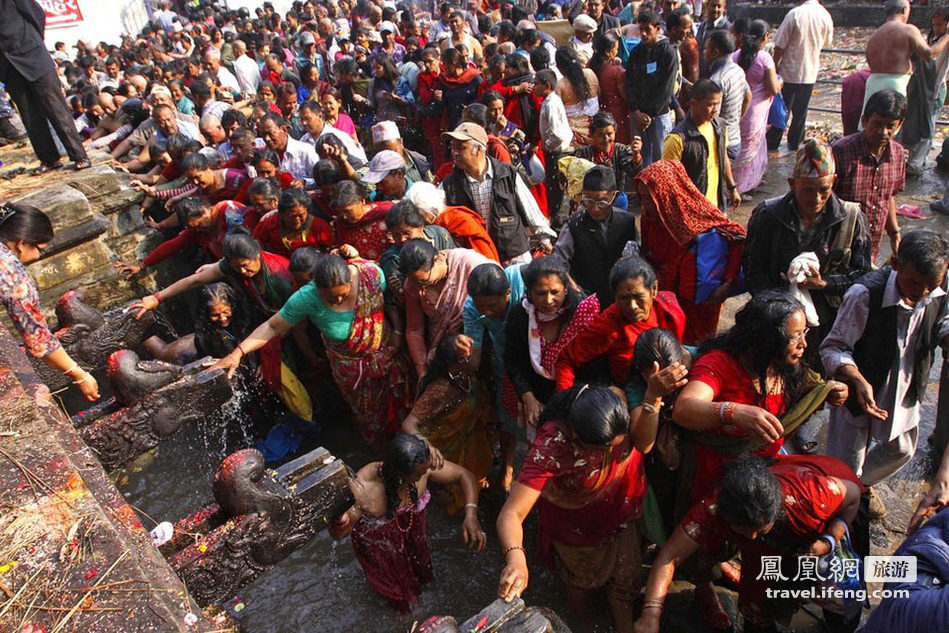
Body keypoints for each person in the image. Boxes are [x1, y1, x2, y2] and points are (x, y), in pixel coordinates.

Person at [633, 455, 865, 633]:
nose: (752, 536)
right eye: (743, 530)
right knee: (756, 606)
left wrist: (828, 541)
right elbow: (669, 557)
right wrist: (650, 614)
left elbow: (853, 497)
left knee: (841, 600)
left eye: (759, 529)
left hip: (817, 534)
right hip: (764, 554)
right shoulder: (713, 509)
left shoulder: (814, 493)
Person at [214, 254, 413, 448]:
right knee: (369, 416)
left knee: (401, 403)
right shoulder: (306, 298)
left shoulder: (371, 275)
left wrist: (397, 330)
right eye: (331, 297)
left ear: (352, 280)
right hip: (351, 370)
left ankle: (405, 444)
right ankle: (379, 450)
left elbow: (389, 303)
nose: (339, 299)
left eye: (343, 294)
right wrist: (237, 353)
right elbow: (272, 327)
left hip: (387, 353)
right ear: (316, 288)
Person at [496, 385, 651, 633]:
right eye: (603, 449)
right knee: (581, 582)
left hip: (621, 510)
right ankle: (581, 622)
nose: (612, 453)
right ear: (577, 438)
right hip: (578, 527)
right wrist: (515, 558)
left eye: (617, 445)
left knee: (625, 581)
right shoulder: (552, 447)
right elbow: (511, 513)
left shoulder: (612, 404)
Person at [821, 230, 949, 516]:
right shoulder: (864, 294)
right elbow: (832, 348)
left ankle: (856, 488)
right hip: (860, 390)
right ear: (895, 264)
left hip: (906, 384)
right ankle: (838, 508)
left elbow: (942, 320)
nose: (924, 293)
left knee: (902, 449)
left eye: (933, 285)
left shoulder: (938, 290)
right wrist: (856, 378)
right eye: (915, 283)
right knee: (846, 461)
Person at [745, 140, 871, 362]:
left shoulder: (852, 218)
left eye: (824, 190)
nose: (816, 199)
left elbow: (862, 274)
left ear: (834, 182)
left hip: (828, 325)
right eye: (808, 190)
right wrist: (778, 299)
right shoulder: (768, 215)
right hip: (776, 326)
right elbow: (753, 269)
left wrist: (824, 284)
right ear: (792, 184)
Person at [330, 434, 486, 612]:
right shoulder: (363, 489)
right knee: (396, 597)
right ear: (400, 476)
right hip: (377, 542)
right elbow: (338, 534)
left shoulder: (423, 464)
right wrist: (339, 521)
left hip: (412, 527)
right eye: (418, 475)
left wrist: (471, 514)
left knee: (423, 573)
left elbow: (464, 475)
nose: (425, 475)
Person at [636, 159, 746, 345]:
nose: (646, 205)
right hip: (664, 297)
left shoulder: (694, 212)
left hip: (700, 302)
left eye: (650, 198)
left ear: (667, 194)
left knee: (698, 345)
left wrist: (727, 284)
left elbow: (738, 238)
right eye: (642, 198)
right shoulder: (649, 218)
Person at [0, 204, 98, 400]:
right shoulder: (10, 270)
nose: (37, 256)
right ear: (21, 244)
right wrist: (79, 374)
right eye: (40, 249)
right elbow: (38, 339)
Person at [555, 256, 686, 390]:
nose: (633, 306)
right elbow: (565, 360)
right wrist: (566, 402)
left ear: (654, 290)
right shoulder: (609, 324)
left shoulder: (669, 308)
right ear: (615, 296)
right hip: (632, 393)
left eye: (638, 297)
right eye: (624, 298)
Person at [401, 335, 495, 512]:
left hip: (466, 437)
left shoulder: (468, 375)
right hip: (441, 443)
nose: (472, 357)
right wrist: (428, 447)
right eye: (465, 357)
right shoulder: (441, 389)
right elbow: (409, 424)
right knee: (456, 495)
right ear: (454, 365)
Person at [439, 122, 555, 265]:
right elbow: (436, 214)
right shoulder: (449, 185)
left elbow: (530, 209)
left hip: (513, 254)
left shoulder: (507, 174)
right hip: (476, 259)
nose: (455, 153)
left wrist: (544, 239)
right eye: (453, 147)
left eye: (461, 148)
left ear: (479, 149)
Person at [504, 257, 601, 426]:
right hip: (537, 399)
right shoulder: (521, 316)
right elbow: (513, 360)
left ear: (565, 289)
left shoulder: (581, 315)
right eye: (541, 293)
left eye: (555, 292)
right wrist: (528, 397)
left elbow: (595, 363)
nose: (548, 300)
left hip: (578, 398)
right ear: (530, 292)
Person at [0, 0, 91, 173]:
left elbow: (37, 14)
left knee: (56, 109)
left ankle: (79, 155)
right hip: (8, 67)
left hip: (33, 56)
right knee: (29, 116)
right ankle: (49, 160)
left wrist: (33, 41)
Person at [400, 241, 495, 378]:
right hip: (444, 352)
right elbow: (414, 330)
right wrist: (421, 369)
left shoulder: (469, 264)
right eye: (415, 282)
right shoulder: (412, 284)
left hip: (483, 341)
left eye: (424, 281)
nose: (420, 288)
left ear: (437, 259)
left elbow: (497, 299)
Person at [831, 90, 907, 262]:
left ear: (899, 125)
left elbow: (888, 197)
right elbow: (825, 199)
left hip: (872, 243)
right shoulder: (842, 151)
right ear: (865, 121)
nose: (883, 132)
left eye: (890, 126)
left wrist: (894, 233)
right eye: (877, 124)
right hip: (839, 241)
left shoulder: (898, 154)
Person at [553, 165, 638, 305]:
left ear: (615, 197)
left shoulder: (627, 222)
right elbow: (558, 263)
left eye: (602, 202)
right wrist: (575, 290)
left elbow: (638, 259)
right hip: (585, 298)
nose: (595, 208)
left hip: (620, 298)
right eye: (588, 201)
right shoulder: (574, 225)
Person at [862, 0, 949, 123]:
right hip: (895, 84)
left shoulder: (875, 35)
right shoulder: (908, 30)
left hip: (873, 84)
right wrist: (946, 37)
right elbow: (929, 54)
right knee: (893, 125)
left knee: (871, 124)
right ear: (904, 10)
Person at [663, 79, 742, 212]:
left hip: (717, 206)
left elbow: (724, 158)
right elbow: (668, 181)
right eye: (711, 104)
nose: (715, 109)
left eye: (718, 104)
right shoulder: (677, 139)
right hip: (692, 210)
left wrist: (732, 188)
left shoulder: (720, 127)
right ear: (694, 103)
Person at [773, 0, 834, 151]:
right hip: (810, 71)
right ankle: (796, 144)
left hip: (789, 71)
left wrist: (773, 66)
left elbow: (780, 45)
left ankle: (773, 142)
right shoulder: (825, 15)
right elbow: (827, 42)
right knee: (801, 112)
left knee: (782, 110)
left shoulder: (794, 14)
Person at [625, 8, 679, 166]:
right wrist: (635, 112)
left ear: (657, 29)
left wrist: (648, 115)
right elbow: (630, 83)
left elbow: (666, 89)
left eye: (647, 30)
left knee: (661, 161)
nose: (643, 34)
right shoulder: (636, 53)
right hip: (638, 117)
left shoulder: (668, 53)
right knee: (641, 160)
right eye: (640, 29)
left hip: (658, 116)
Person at [733, 20, 782, 193]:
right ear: (766, 37)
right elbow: (773, 88)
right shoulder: (764, 58)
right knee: (750, 149)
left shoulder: (736, 55)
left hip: (738, 108)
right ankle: (744, 187)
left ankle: (732, 185)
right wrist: (781, 82)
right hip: (755, 111)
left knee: (739, 147)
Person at [903, 8, 949, 177]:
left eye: (940, 24)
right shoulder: (933, 37)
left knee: (928, 124)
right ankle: (915, 160)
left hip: (936, 88)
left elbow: (933, 55)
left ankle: (917, 163)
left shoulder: (945, 40)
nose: (936, 27)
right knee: (917, 121)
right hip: (923, 85)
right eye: (934, 24)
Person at [405, 182, 500, 263]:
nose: (419, 221)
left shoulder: (461, 221)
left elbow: (484, 256)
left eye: (421, 216)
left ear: (433, 210)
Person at [572, 112, 643, 195]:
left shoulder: (621, 150)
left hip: (616, 197)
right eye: (600, 135)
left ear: (615, 132)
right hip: (590, 199)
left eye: (609, 134)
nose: (606, 139)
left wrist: (636, 154)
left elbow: (634, 173)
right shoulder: (583, 154)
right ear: (592, 135)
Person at [706, 30, 751, 162]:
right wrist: (735, 121)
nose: (704, 53)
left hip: (722, 145)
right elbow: (748, 97)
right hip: (735, 139)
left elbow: (712, 117)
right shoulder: (738, 70)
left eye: (706, 49)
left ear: (715, 52)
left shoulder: (717, 79)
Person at [535, 69, 572, 224]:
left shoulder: (551, 105)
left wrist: (546, 146)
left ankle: (559, 224)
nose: (534, 86)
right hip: (556, 152)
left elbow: (558, 135)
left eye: (536, 84)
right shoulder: (550, 101)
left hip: (557, 154)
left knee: (557, 191)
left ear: (547, 85)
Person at [252, 188, 334, 258]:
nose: (297, 219)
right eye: (292, 216)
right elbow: (255, 245)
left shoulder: (319, 226)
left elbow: (330, 252)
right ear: (281, 214)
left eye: (301, 215)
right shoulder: (270, 223)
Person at [331, 180, 393, 261]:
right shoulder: (341, 225)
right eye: (340, 212)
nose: (344, 217)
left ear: (362, 201)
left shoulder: (387, 212)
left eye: (348, 211)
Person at [589, 32, 631, 146]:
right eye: (616, 49)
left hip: (598, 112)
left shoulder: (590, 65)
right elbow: (626, 96)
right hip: (617, 115)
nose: (617, 52)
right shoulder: (616, 71)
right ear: (608, 52)